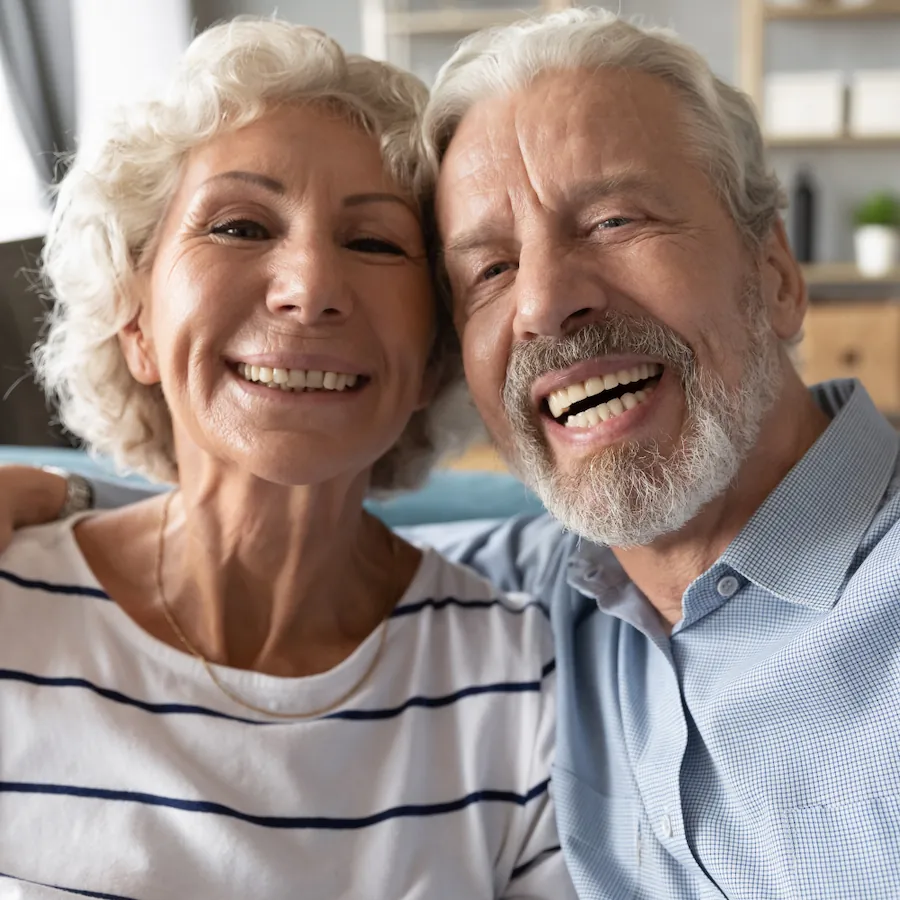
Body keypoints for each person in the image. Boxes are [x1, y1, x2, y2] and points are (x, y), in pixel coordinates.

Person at [9, 7, 900, 900]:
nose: (544, 304)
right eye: (491, 270)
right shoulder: (549, 591)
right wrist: (50, 494)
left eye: (614, 220)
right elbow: (278, 547)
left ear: (776, 273)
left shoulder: (508, 657)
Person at [0, 18, 576, 900]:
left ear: (434, 356)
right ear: (135, 322)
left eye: (374, 242)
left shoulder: (520, 680)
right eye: (238, 226)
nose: (309, 288)